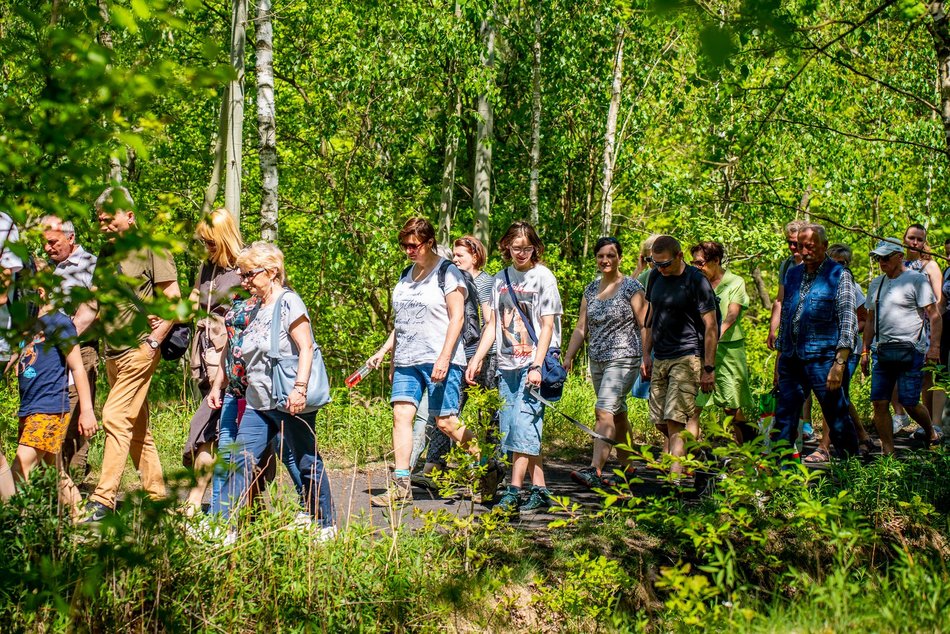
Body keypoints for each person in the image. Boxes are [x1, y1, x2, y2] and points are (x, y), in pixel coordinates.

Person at [208, 242, 335, 538]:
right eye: (242, 274)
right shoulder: (256, 307)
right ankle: (223, 529)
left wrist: (299, 389)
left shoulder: (289, 302)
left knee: (305, 460)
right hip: (257, 401)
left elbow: (306, 347)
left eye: (250, 274)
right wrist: (222, 382)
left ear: (272, 271)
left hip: (287, 398)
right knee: (239, 460)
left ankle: (324, 524)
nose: (244, 280)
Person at [369, 218, 486, 508]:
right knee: (401, 417)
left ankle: (485, 464)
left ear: (429, 242)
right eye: (404, 246)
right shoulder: (405, 275)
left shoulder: (448, 273)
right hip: (408, 359)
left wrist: (445, 357)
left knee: (445, 422)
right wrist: (386, 351)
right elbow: (403, 320)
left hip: (439, 357)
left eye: (414, 245)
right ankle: (401, 485)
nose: (408, 250)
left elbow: (457, 318)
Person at [82, 187, 182, 521]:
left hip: (140, 348)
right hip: (113, 352)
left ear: (129, 216)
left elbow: (174, 300)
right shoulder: (105, 253)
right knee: (137, 427)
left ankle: (103, 497)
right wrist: (63, 330)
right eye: (100, 221)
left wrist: (155, 339)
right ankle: (156, 498)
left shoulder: (153, 248)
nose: (103, 227)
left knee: (113, 417)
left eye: (109, 220)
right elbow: (93, 304)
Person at [467, 221, 563, 513]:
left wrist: (535, 365)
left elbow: (548, 326)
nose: (521, 253)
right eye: (516, 247)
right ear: (506, 246)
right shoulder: (500, 279)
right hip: (506, 364)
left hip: (534, 363)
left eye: (527, 248)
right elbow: (493, 325)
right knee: (516, 429)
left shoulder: (543, 277)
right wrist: (478, 358)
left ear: (535, 247)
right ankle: (542, 489)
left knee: (523, 426)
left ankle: (513, 491)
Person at [4, 262, 98, 520]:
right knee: (51, 469)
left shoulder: (59, 323)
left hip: (49, 408)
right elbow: (19, 352)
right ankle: (79, 516)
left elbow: (78, 367)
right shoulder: (28, 324)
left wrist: (87, 411)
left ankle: (11, 523)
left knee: (21, 464)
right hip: (30, 406)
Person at [563, 237, 647, 488]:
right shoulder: (590, 289)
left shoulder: (631, 287)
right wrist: (569, 356)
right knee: (617, 414)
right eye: (601, 256)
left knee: (604, 410)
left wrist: (646, 357)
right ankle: (630, 467)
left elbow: (645, 324)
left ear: (619, 257)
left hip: (625, 356)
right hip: (598, 359)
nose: (605, 260)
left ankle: (594, 470)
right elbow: (581, 327)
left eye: (611, 255)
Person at [774, 224, 859, 459]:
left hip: (823, 358)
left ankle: (851, 468)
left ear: (823, 245)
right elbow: (786, 318)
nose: (804, 251)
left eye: (810, 246)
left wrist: (839, 364)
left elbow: (848, 319)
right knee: (784, 416)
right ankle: (780, 473)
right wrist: (779, 359)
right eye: (801, 246)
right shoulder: (792, 274)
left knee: (836, 414)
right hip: (791, 358)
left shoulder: (839, 275)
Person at [180, 209, 244, 515]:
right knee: (212, 432)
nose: (206, 247)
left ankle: (212, 503)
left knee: (208, 427)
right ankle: (199, 502)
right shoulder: (208, 267)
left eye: (210, 241)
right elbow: (196, 294)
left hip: (231, 361)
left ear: (223, 237)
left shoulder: (244, 269)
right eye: (203, 242)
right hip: (205, 356)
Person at [640, 235, 718, 478]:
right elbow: (651, 318)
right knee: (660, 421)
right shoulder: (655, 277)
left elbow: (711, 326)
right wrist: (645, 354)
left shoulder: (696, 281)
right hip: (660, 356)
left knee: (675, 419)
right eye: (656, 263)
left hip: (688, 356)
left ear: (680, 256)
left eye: (665, 264)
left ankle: (673, 482)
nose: (661, 268)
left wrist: (708, 367)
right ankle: (700, 456)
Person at [861, 238, 942, 454]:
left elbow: (934, 315)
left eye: (886, 257)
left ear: (899, 257)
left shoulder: (916, 280)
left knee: (909, 402)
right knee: (879, 402)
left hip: (911, 351)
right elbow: (870, 320)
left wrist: (934, 348)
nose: (882, 262)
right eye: (879, 258)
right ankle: (888, 451)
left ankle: (930, 432)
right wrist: (865, 350)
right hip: (883, 351)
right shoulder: (876, 283)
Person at [803, 244, 875, 462]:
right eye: (835, 261)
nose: (839, 265)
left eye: (843, 262)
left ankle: (824, 447)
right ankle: (862, 436)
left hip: (847, 351)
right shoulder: (818, 283)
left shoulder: (852, 286)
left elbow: (862, 318)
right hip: (823, 350)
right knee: (839, 396)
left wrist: (846, 331)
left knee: (832, 396)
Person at [41, 215, 98, 482]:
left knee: (76, 415)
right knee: (55, 413)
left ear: (71, 237)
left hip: (80, 349)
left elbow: (93, 309)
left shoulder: (88, 265)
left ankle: (73, 484)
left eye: (53, 242)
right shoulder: (51, 269)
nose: (48, 248)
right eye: (45, 243)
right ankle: (54, 486)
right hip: (52, 353)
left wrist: (67, 337)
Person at [689, 241, 756, 443]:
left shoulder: (735, 282)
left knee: (731, 407)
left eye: (700, 263)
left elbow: (731, 315)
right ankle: (690, 461)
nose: (696, 267)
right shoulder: (695, 281)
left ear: (716, 261)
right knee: (693, 407)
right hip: (699, 351)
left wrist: (714, 336)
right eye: (693, 263)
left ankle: (750, 450)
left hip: (728, 350)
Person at [767, 220, 815, 440]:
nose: (793, 248)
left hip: (812, 333)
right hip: (789, 331)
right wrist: (773, 329)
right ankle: (794, 428)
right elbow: (780, 299)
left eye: (797, 243)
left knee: (815, 384)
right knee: (787, 379)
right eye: (790, 243)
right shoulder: (786, 265)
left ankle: (811, 425)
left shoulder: (817, 264)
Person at [897, 224, 944, 424]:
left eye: (919, 239)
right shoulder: (899, 265)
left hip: (925, 329)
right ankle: (902, 417)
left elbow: (939, 303)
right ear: (904, 239)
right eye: (911, 238)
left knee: (926, 378)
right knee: (901, 374)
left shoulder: (930, 266)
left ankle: (933, 424)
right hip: (902, 328)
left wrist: (935, 339)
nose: (915, 242)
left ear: (925, 242)